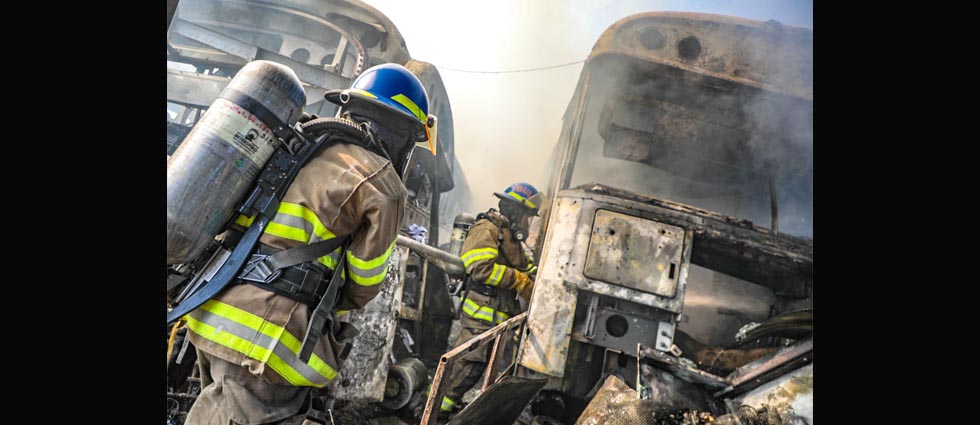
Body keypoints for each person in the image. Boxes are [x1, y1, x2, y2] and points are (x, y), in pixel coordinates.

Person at [183, 63, 435, 425]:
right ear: (403, 134)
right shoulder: (384, 184)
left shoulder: (298, 141)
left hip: (212, 311)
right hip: (266, 339)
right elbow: (363, 286)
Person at [439, 182, 543, 414]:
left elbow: (526, 268)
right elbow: (479, 267)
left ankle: (443, 408)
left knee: (479, 364)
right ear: (517, 210)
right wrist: (516, 279)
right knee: (468, 364)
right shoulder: (487, 229)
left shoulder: (510, 237)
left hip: (498, 313)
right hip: (481, 309)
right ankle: (434, 412)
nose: (529, 222)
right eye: (528, 216)